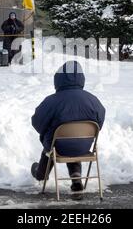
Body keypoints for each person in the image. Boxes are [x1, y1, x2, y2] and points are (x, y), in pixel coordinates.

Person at [31, 61, 106, 196]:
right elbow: (100, 122)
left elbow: (37, 121)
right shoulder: (93, 100)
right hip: (84, 147)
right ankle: (76, 177)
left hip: (58, 146)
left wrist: (47, 132)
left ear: (58, 79)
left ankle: (41, 175)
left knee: (52, 143)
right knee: (72, 142)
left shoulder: (52, 101)